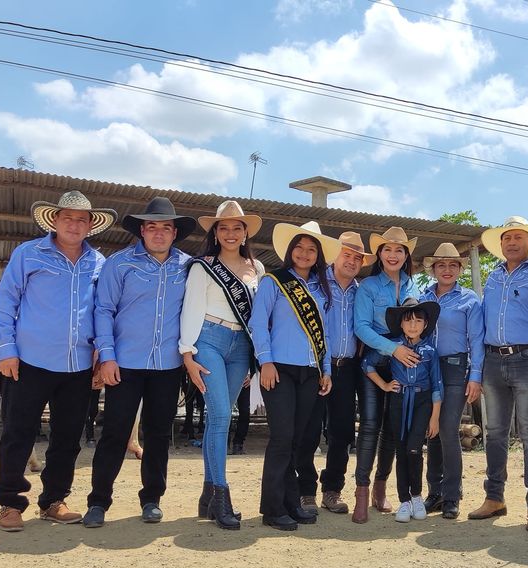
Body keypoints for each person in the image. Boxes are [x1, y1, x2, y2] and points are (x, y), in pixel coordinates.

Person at [0, 190, 116, 531]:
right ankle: (10, 503)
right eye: (67, 218)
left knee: (68, 438)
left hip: (78, 366)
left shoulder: (99, 263)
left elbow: (103, 311)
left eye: (81, 220)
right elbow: (6, 302)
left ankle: (53, 501)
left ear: (90, 225)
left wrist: (101, 355)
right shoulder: (28, 254)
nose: (74, 225)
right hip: (29, 361)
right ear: (55, 221)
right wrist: (6, 350)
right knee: (18, 433)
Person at [82, 198, 196, 528]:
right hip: (125, 364)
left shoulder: (189, 267)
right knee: (115, 433)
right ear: (142, 231)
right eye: (152, 227)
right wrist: (107, 356)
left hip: (167, 365)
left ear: (175, 233)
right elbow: (104, 310)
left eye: (165, 227)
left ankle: (151, 499)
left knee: (158, 434)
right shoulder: (119, 264)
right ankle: (98, 501)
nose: (159, 233)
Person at [249, 221, 340, 531]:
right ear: (290, 251)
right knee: (281, 438)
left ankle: (290, 503)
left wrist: (326, 370)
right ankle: (272, 508)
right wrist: (265, 362)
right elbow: (258, 323)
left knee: (298, 441)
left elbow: (324, 334)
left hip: (311, 373)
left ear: (318, 255)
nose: (304, 253)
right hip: (279, 369)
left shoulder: (321, 288)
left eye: (311, 249)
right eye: (299, 247)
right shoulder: (273, 281)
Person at [469, 216, 528, 533]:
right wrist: (478, 368)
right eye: (507, 238)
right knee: (494, 433)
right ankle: (494, 498)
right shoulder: (493, 277)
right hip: (494, 360)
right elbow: (482, 325)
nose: (512, 242)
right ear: (501, 244)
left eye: (518, 237)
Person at [180, 200, 265, 530]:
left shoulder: (257, 268)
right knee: (219, 417)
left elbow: (258, 316)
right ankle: (221, 495)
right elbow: (191, 308)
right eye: (224, 227)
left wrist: (255, 361)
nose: (230, 233)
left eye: (237, 228)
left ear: (245, 233)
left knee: (222, 418)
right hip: (209, 340)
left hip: (241, 347)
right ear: (215, 233)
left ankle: (207, 496)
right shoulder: (203, 267)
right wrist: (187, 354)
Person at [296, 231, 375, 514]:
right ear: (334, 256)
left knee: (342, 432)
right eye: (347, 254)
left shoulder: (362, 292)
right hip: (315, 366)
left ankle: (332, 490)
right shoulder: (314, 283)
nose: (352, 261)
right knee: (308, 430)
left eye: (357, 258)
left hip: (347, 368)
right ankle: (305, 490)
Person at [352, 227, 420, 523]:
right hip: (375, 360)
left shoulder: (414, 286)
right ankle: (362, 491)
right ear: (379, 254)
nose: (393, 255)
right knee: (369, 425)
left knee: (393, 429)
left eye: (399, 250)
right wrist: (393, 349)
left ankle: (381, 487)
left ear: (406, 255)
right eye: (387, 249)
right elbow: (361, 327)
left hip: (404, 364)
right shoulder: (368, 286)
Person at [419, 243, 484, 520]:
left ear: (459, 269)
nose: (447, 270)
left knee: (447, 429)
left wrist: (476, 375)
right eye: (441, 265)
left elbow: (476, 339)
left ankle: (452, 495)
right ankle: (434, 492)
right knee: (431, 430)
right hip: (426, 367)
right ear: (433, 269)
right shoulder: (422, 297)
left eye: (453, 265)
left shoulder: (469, 299)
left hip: (456, 367)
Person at [363, 298, 443, 522]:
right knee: (400, 449)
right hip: (398, 400)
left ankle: (417, 496)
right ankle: (404, 501)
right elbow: (367, 364)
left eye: (418, 320)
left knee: (414, 449)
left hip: (422, 402)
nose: (413, 325)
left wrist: (435, 417)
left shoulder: (430, 351)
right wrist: (384, 385)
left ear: (425, 324)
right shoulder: (393, 346)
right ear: (401, 323)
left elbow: (437, 386)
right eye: (408, 320)